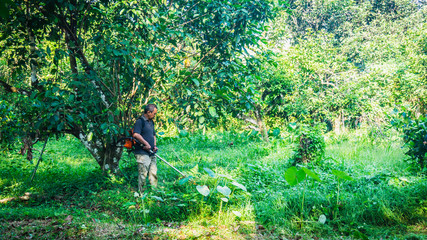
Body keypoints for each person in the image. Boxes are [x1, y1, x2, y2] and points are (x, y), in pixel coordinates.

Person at [132, 104, 158, 192]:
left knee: (153, 172)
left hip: (151, 152)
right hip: (142, 152)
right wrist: (146, 143)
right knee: (143, 173)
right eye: (154, 113)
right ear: (148, 112)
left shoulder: (151, 122)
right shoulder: (140, 121)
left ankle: (155, 191)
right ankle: (142, 193)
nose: (155, 115)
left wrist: (154, 146)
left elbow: (153, 135)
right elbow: (136, 134)